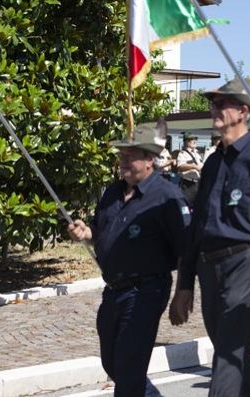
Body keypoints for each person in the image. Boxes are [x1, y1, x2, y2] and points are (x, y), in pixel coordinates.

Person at [168, 78, 250, 397]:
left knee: (227, 357)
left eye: (222, 104)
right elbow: (196, 229)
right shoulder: (212, 163)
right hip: (210, 270)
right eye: (214, 104)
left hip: (244, 267)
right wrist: (184, 286)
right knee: (231, 352)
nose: (215, 109)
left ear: (243, 111)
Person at [67, 123, 190, 397]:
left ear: (149, 160)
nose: (122, 162)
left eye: (129, 156)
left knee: (129, 372)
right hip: (113, 292)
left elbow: (186, 249)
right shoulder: (112, 192)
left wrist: (183, 293)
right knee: (113, 364)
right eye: (121, 156)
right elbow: (97, 232)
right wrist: (84, 233)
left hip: (146, 291)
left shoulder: (167, 197)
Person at [176, 133, 204, 207]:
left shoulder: (197, 153)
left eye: (195, 139)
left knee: (197, 206)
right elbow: (180, 166)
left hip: (198, 183)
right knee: (186, 205)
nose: (194, 141)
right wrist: (193, 166)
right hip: (188, 184)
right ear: (186, 142)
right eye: (192, 139)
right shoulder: (182, 154)